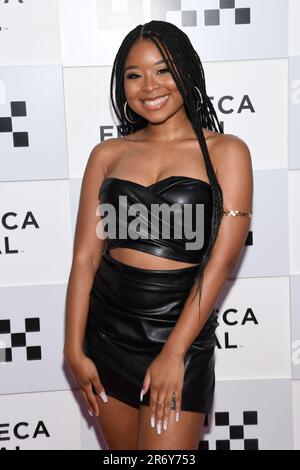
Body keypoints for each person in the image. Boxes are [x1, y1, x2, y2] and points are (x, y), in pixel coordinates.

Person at [64, 20, 253, 450]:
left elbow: (220, 264)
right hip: (106, 335)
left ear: (187, 71)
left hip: (179, 336)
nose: (149, 86)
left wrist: (174, 353)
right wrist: (73, 350)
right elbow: (86, 260)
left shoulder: (227, 151)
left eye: (163, 70)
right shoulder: (107, 154)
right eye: (134, 75)